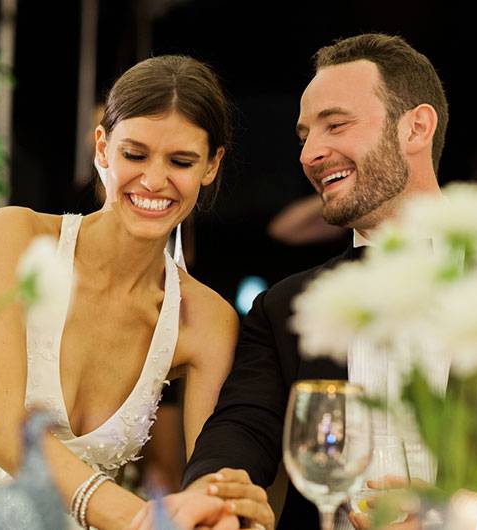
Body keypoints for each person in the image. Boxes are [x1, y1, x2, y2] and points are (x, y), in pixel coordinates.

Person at [0, 55, 241, 530]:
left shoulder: (208, 321)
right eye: (135, 154)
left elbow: (209, 476)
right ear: (102, 148)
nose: (154, 180)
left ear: (212, 165)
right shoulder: (16, 235)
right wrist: (145, 520)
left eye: (181, 161)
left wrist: (218, 511)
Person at [181, 33, 450, 530]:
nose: (310, 155)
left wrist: (461, 518)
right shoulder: (286, 308)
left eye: (336, 125)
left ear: (416, 128)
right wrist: (211, 494)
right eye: (305, 138)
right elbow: (241, 428)